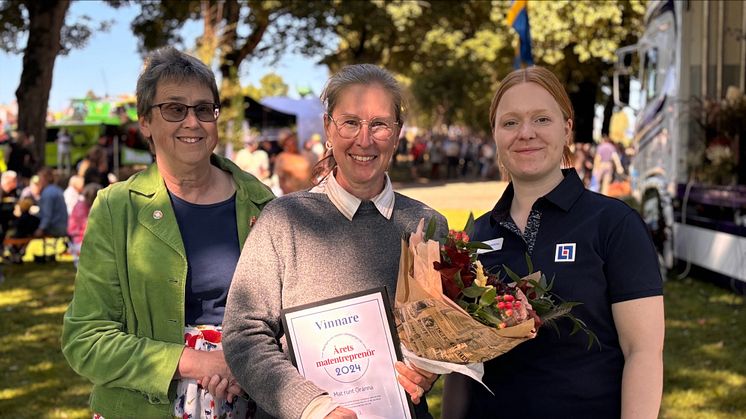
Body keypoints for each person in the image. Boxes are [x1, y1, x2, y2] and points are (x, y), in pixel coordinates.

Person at [223, 64, 448, 419]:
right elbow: (243, 334)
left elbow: (442, 329)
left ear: (397, 132)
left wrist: (430, 365)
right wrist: (312, 407)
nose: (364, 139)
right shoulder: (283, 221)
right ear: (329, 127)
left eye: (379, 124)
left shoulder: (428, 225)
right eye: (350, 122)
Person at [61, 46, 274, 418]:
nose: (192, 122)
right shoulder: (117, 209)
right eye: (175, 109)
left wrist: (251, 359)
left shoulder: (262, 202)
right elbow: (86, 340)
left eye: (204, 109)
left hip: (254, 400)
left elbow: (288, 318)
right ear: (145, 122)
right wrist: (195, 362)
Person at [441, 66, 664, 419]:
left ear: (567, 128)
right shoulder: (476, 239)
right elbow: (462, 362)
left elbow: (644, 352)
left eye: (542, 119)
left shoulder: (614, 225)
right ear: (496, 135)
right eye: (510, 122)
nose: (525, 133)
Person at [67, 182, 101, 268]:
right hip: (81, 241)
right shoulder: (82, 208)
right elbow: (89, 228)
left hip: (78, 240)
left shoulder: (81, 205)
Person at [34, 167, 68, 238]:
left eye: (40, 178)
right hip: (63, 227)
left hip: (54, 229)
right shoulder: (58, 190)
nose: (39, 181)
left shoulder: (47, 193)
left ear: (45, 179)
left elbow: (47, 215)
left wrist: (40, 229)